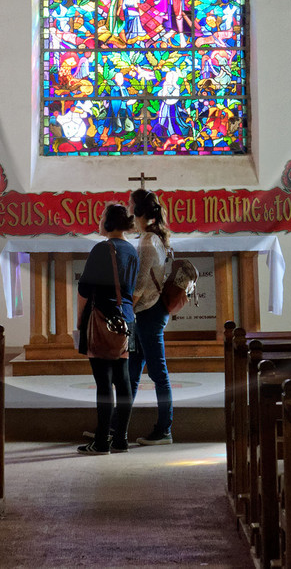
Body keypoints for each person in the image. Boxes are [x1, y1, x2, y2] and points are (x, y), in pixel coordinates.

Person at [77, 203, 139, 453]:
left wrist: (80, 323)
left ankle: (102, 440)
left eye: (102, 216)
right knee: (123, 381)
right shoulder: (132, 250)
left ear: (109, 222)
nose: (99, 220)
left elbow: (84, 289)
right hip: (126, 319)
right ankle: (121, 439)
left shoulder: (102, 248)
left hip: (102, 318)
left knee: (104, 384)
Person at [128, 188, 175, 444]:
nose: (128, 208)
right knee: (132, 372)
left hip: (148, 311)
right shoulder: (153, 237)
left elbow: (140, 283)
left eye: (130, 204)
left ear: (137, 210)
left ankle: (164, 429)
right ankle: (116, 427)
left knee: (158, 373)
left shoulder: (147, 241)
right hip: (147, 311)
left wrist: (126, 309)